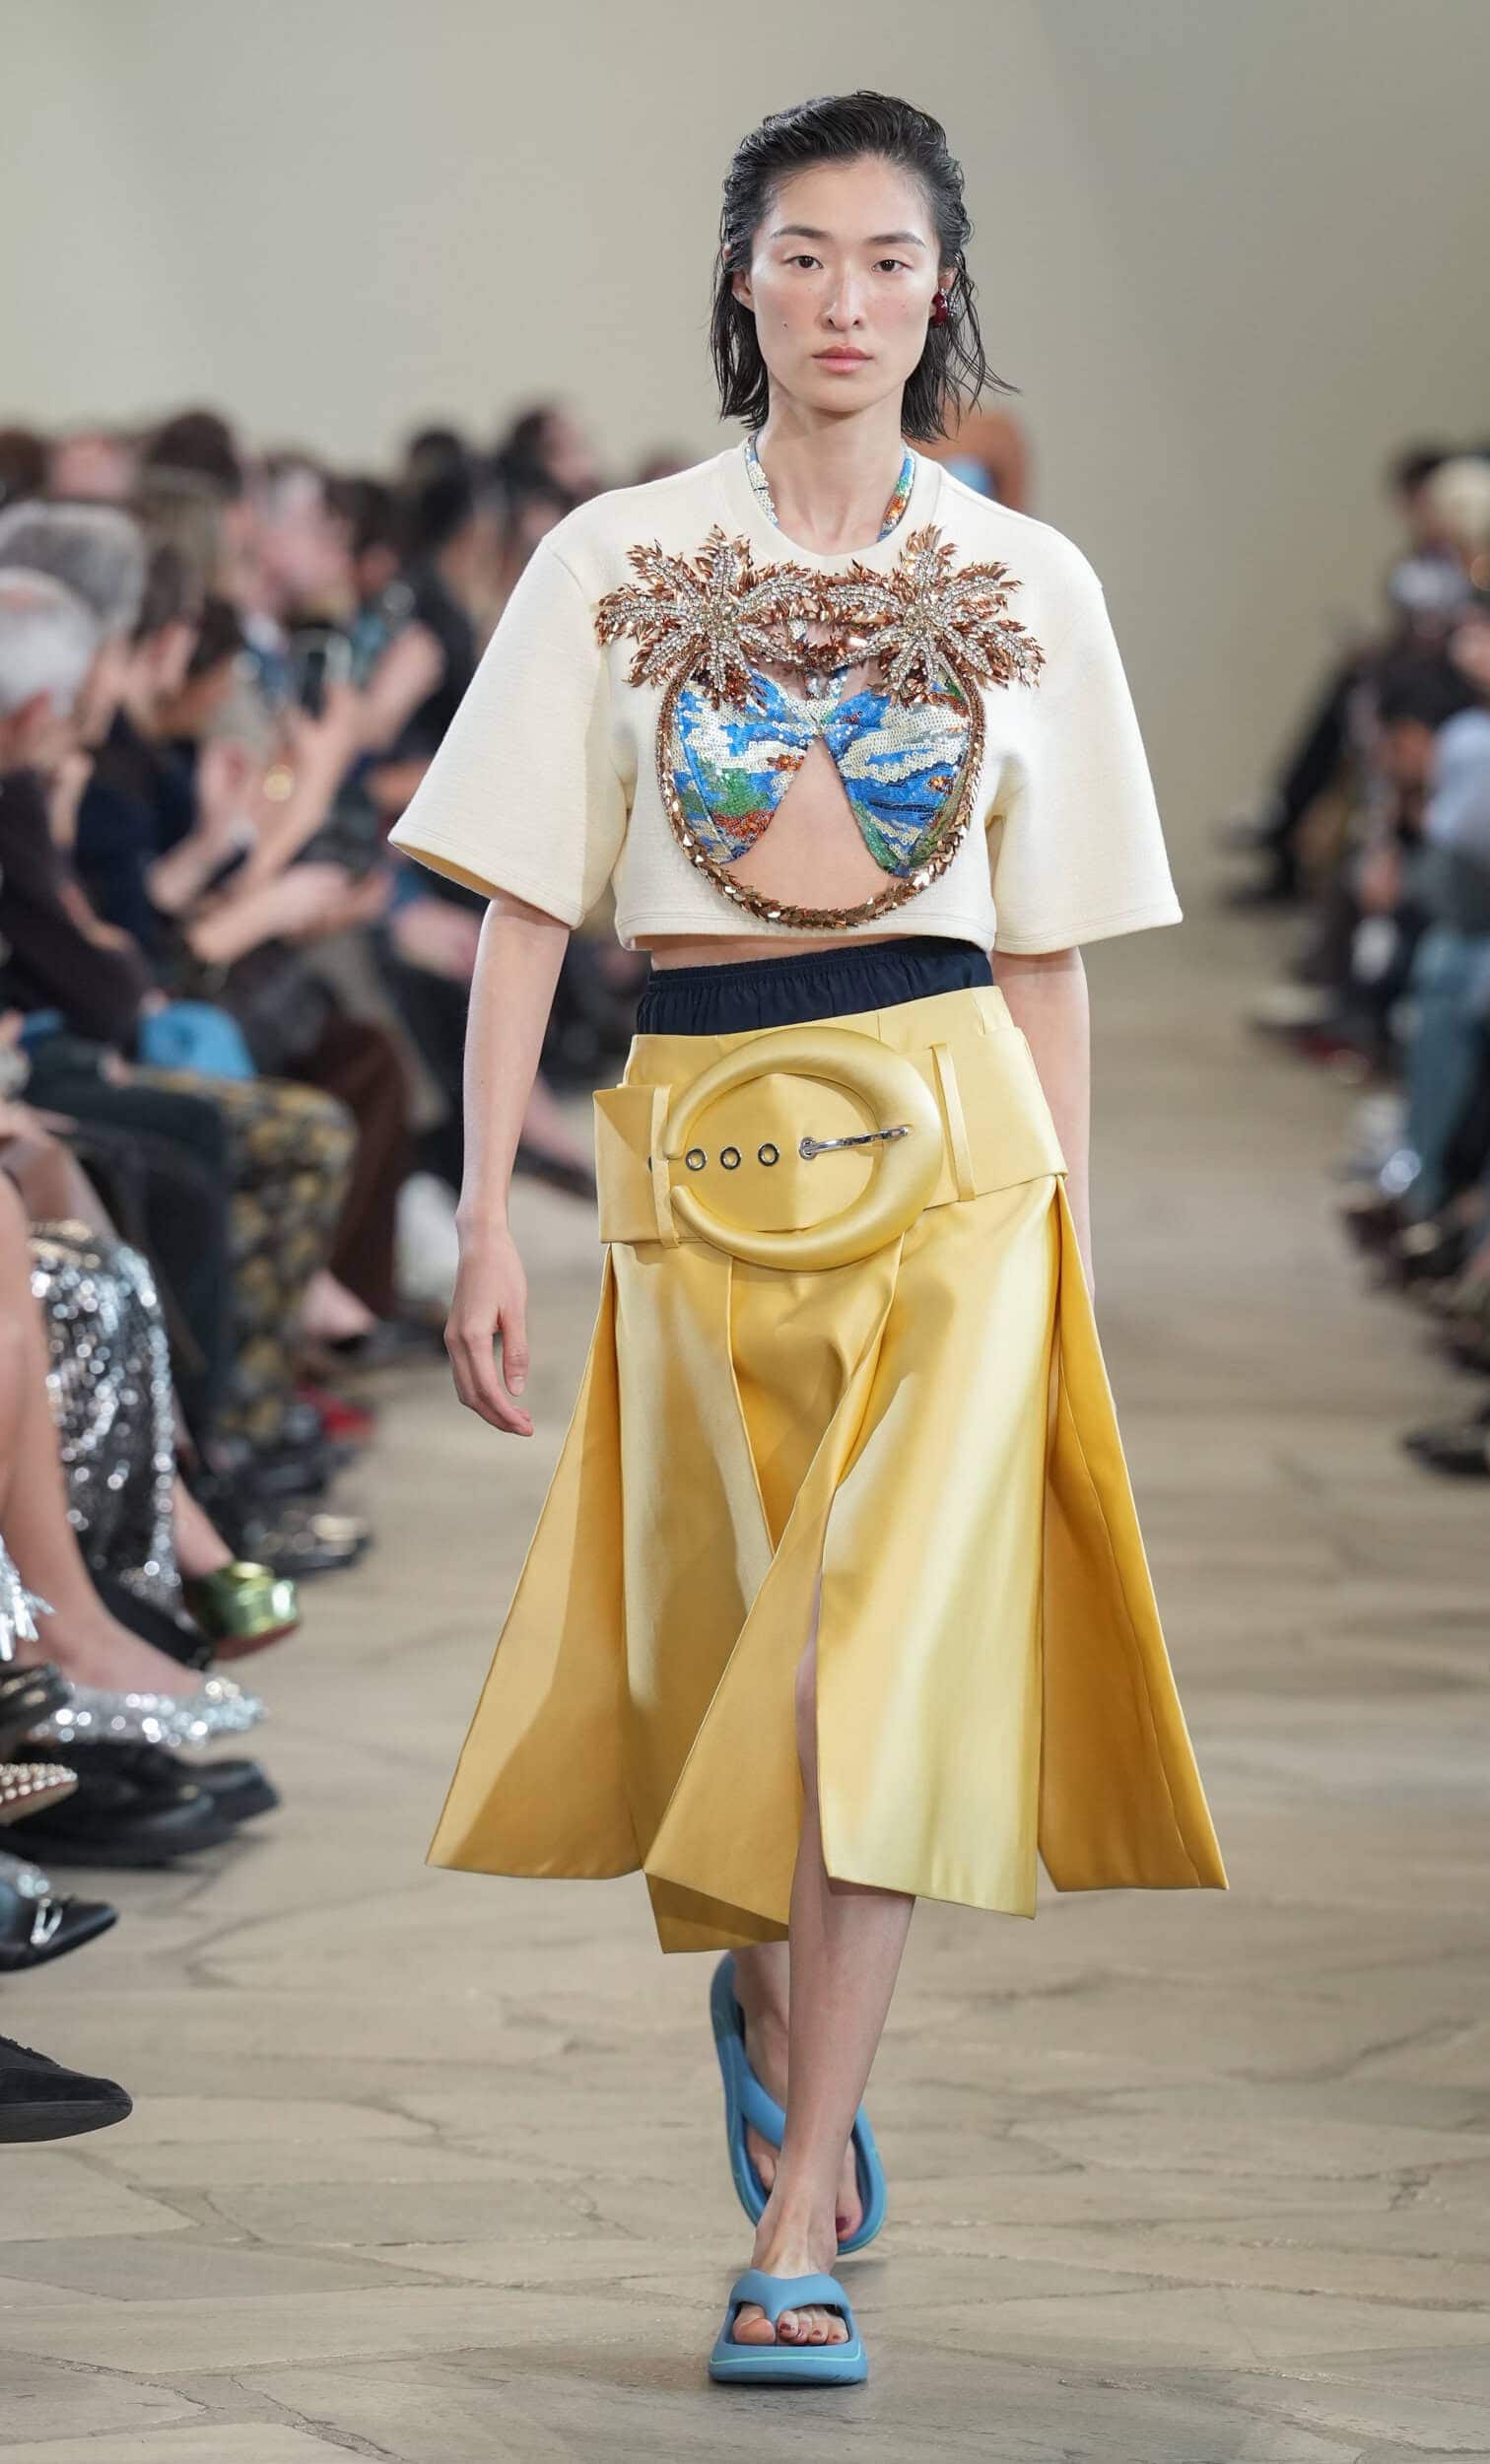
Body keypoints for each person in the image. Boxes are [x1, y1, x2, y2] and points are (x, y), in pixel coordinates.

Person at [388, 89, 1226, 2386]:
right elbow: (523, 902)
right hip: (699, 1152)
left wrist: (1066, 1248)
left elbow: (1046, 953)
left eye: (889, 259)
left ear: (944, 290)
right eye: (804, 254)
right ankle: (775, 2017)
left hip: (953, 1164)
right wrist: (486, 1226)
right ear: (741, 281)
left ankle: (790, 2223)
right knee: (719, 1679)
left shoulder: (1030, 581)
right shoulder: (617, 556)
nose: (847, 298)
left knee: (865, 1686)